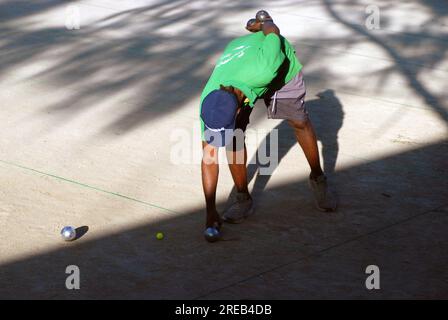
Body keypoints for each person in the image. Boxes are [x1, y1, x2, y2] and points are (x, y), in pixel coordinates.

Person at [200, 10, 337, 242]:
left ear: (239, 107)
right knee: (233, 138)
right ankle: (243, 199)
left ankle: (318, 178)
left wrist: (264, 23)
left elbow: (273, 32)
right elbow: (209, 158)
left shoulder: (265, 68)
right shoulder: (210, 103)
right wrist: (210, 209)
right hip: (242, 54)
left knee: (299, 121)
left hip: (279, 68)